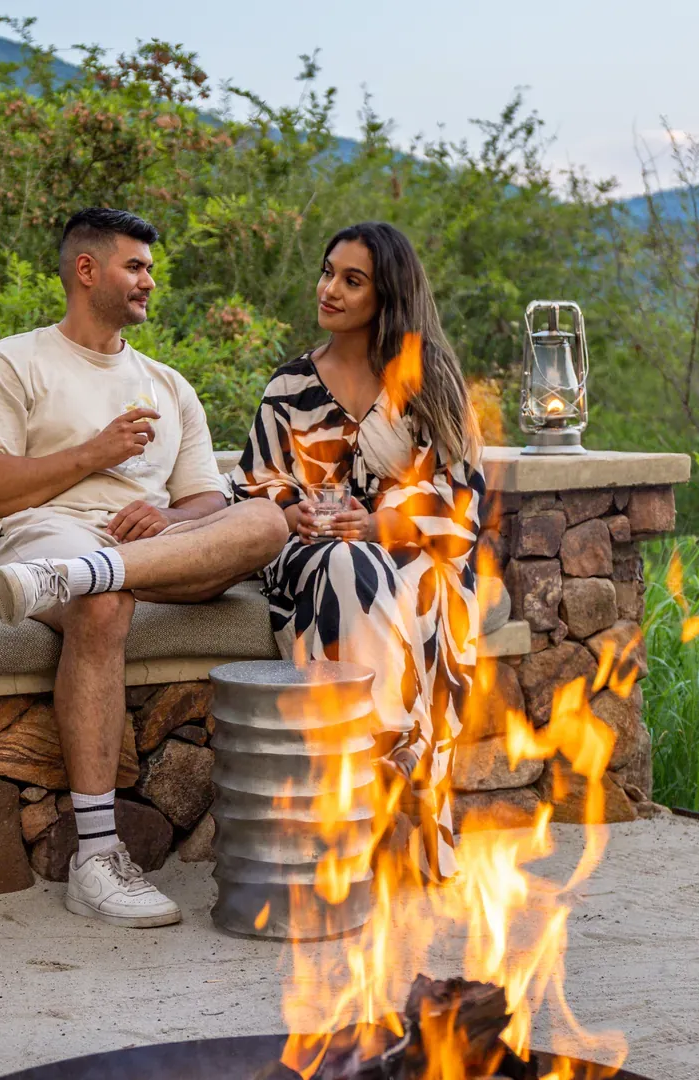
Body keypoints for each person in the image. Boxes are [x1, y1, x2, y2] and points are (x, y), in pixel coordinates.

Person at [0, 207, 288, 928]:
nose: (148, 282)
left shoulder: (167, 384)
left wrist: (168, 519)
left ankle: (102, 570)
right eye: (135, 266)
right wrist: (92, 456)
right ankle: (96, 861)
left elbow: (200, 503)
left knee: (264, 519)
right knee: (105, 605)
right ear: (86, 269)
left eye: (151, 270)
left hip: (149, 553)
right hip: (40, 542)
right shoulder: (13, 362)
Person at [229, 221, 486, 882]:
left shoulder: (428, 386)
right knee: (343, 564)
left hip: (413, 558)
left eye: (352, 279)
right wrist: (300, 512)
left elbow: (463, 509)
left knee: (376, 568)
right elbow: (254, 493)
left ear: (388, 295)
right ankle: (389, 761)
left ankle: (360, 778)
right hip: (308, 563)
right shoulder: (289, 388)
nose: (329, 290)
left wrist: (379, 525)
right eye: (326, 273)